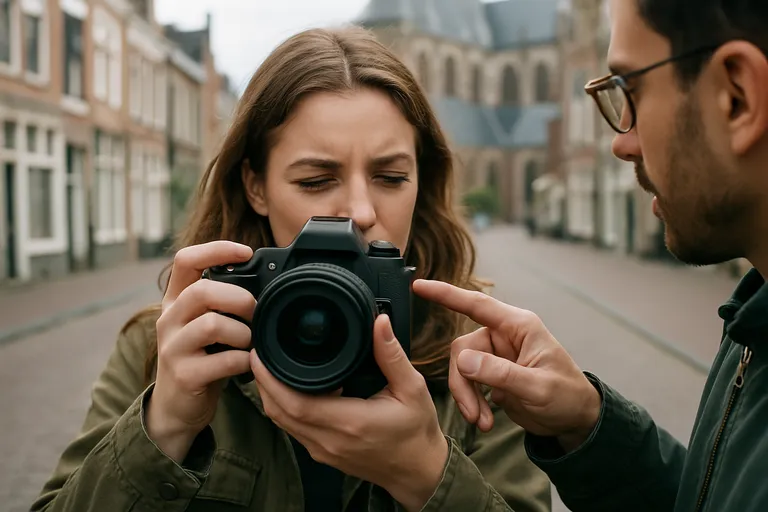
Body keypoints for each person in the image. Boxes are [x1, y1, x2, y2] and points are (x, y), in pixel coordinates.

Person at [30, 26, 552, 512]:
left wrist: (425, 473)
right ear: (256, 186)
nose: (361, 211)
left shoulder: (479, 358)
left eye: (390, 177)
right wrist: (161, 428)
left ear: (423, 180)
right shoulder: (165, 346)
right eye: (314, 180)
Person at [413, 0, 768, 511]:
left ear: (737, 96)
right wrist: (588, 424)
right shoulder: (754, 318)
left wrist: (423, 477)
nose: (621, 141)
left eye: (631, 89)